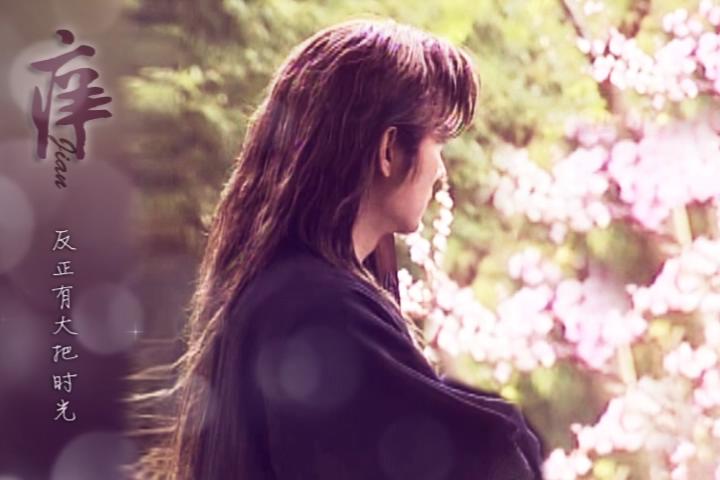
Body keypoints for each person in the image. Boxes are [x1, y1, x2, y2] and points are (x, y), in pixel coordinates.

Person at [126, 17, 544, 479]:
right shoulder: (323, 310)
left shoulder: (284, 291)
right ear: (389, 150)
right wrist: (516, 435)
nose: (440, 172)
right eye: (438, 143)